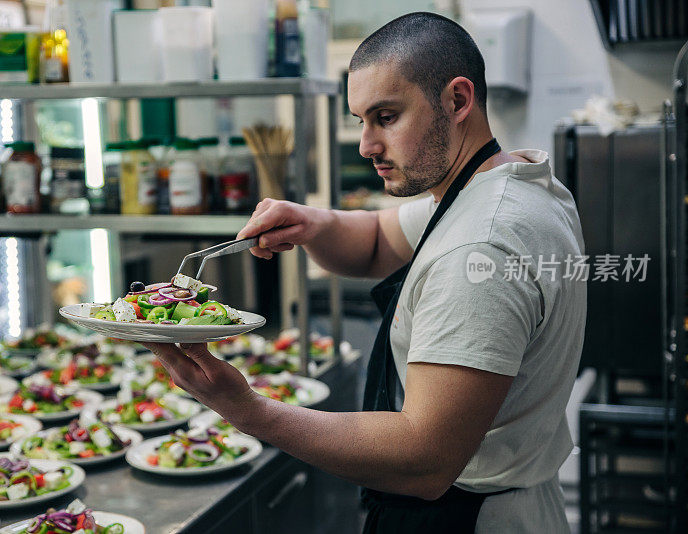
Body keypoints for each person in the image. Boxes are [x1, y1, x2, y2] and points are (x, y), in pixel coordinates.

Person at [144, 12, 586, 534]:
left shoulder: (482, 245)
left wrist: (247, 410)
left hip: (465, 519)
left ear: (458, 100)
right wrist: (313, 222)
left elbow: (425, 459)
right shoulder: (500, 187)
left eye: (387, 116)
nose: (366, 145)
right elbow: (377, 241)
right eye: (361, 120)